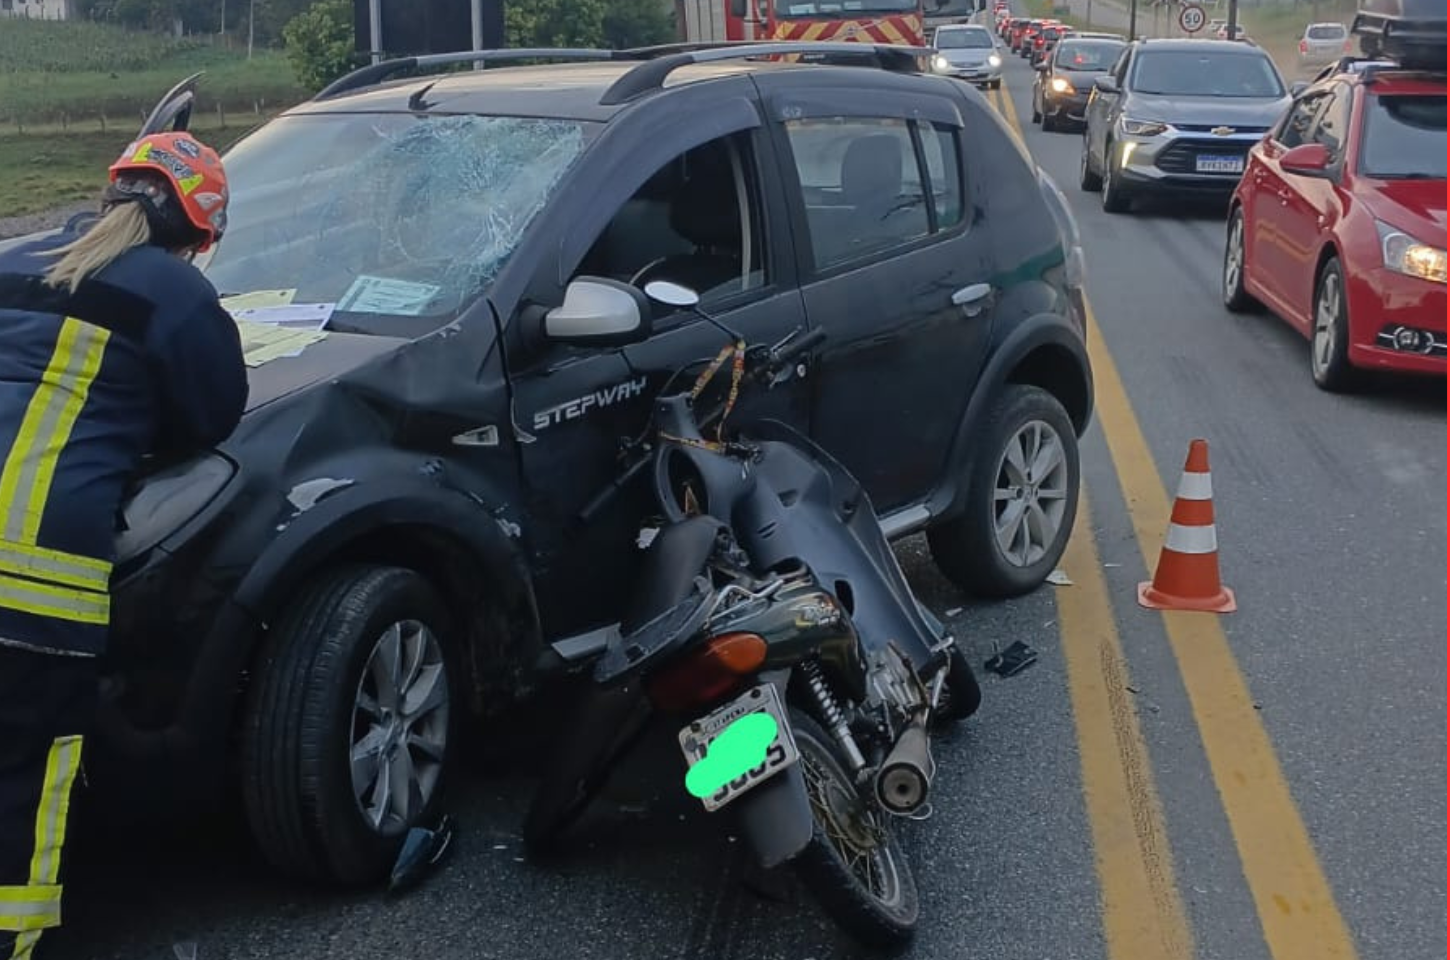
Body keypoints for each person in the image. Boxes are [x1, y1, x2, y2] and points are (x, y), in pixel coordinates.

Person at [0, 131, 247, 960]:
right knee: (24, 776)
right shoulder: (174, 291)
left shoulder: (17, 254)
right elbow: (212, 413)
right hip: (32, 574)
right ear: (198, 230)